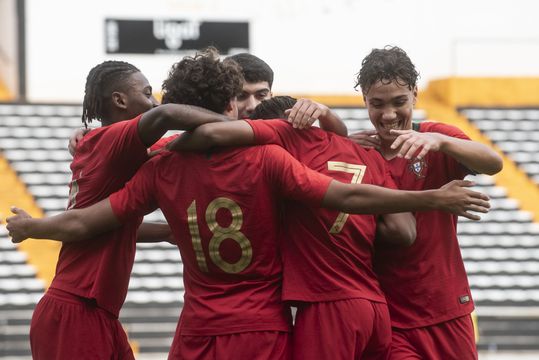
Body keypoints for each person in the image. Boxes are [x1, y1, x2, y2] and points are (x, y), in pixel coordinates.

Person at [6, 49, 491, 360]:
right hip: (277, 322)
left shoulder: (160, 165)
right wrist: (428, 197)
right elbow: (366, 207)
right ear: (232, 106)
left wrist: (37, 224)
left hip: (200, 328)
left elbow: (98, 219)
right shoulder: (274, 155)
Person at [158, 90, 491, 358]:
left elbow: (214, 134)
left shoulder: (280, 157)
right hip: (377, 309)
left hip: (325, 305)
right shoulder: (362, 153)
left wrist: (167, 149)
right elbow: (404, 232)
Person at [23, 59, 229, 360]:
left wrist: (169, 232)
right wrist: (240, 126)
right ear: (120, 100)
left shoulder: (107, 147)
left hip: (96, 313)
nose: (153, 101)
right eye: (146, 93)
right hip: (76, 312)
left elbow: (109, 223)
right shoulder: (112, 140)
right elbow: (167, 114)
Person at [351, 45, 503, 359]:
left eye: (399, 102)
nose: (389, 114)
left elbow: (493, 163)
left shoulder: (436, 138)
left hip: (447, 307)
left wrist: (441, 141)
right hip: (390, 316)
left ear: (415, 95)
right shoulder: (355, 154)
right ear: (364, 100)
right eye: (377, 104)